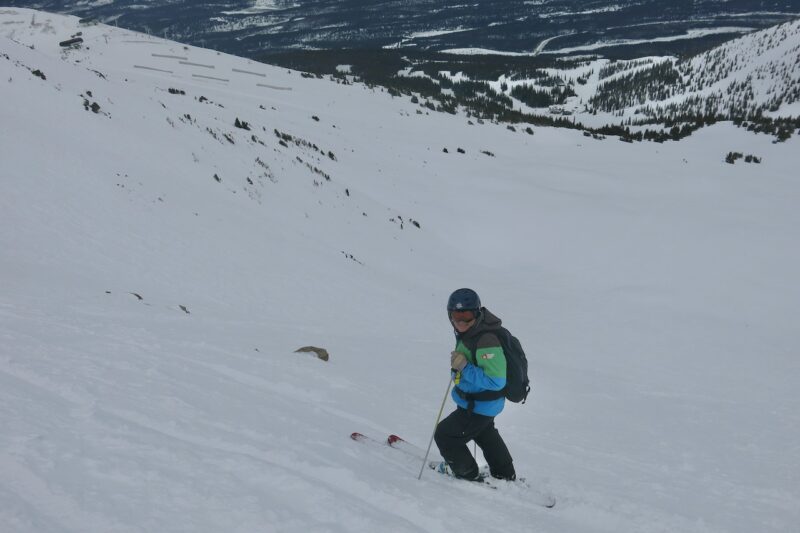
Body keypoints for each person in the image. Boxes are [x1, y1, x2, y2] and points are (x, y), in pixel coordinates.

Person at [434, 288, 516, 481]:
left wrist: (463, 366)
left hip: (479, 405)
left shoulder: (486, 340)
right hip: (482, 404)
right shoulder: (472, 332)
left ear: (477, 314)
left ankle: (467, 473)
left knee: (445, 435)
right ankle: (504, 474)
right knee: (485, 433)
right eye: (456, 315)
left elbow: (495, 381)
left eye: (467, 316)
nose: (461, 322)